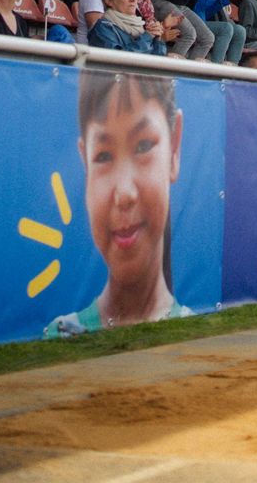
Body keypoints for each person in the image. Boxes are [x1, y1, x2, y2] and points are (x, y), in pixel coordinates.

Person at [46, 71, 189, 337]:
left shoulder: (192, 331)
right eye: (102, 156)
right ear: (85, 163)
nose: (124, 193)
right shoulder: (58, 335)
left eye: (144, 145)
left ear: (174, 148)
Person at [88, 0, 168, 55]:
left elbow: (157, 62)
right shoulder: (102, 28)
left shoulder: (142, 27)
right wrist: (147, 37)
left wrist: (158, 39)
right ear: (109, 0)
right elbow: (118, 61)